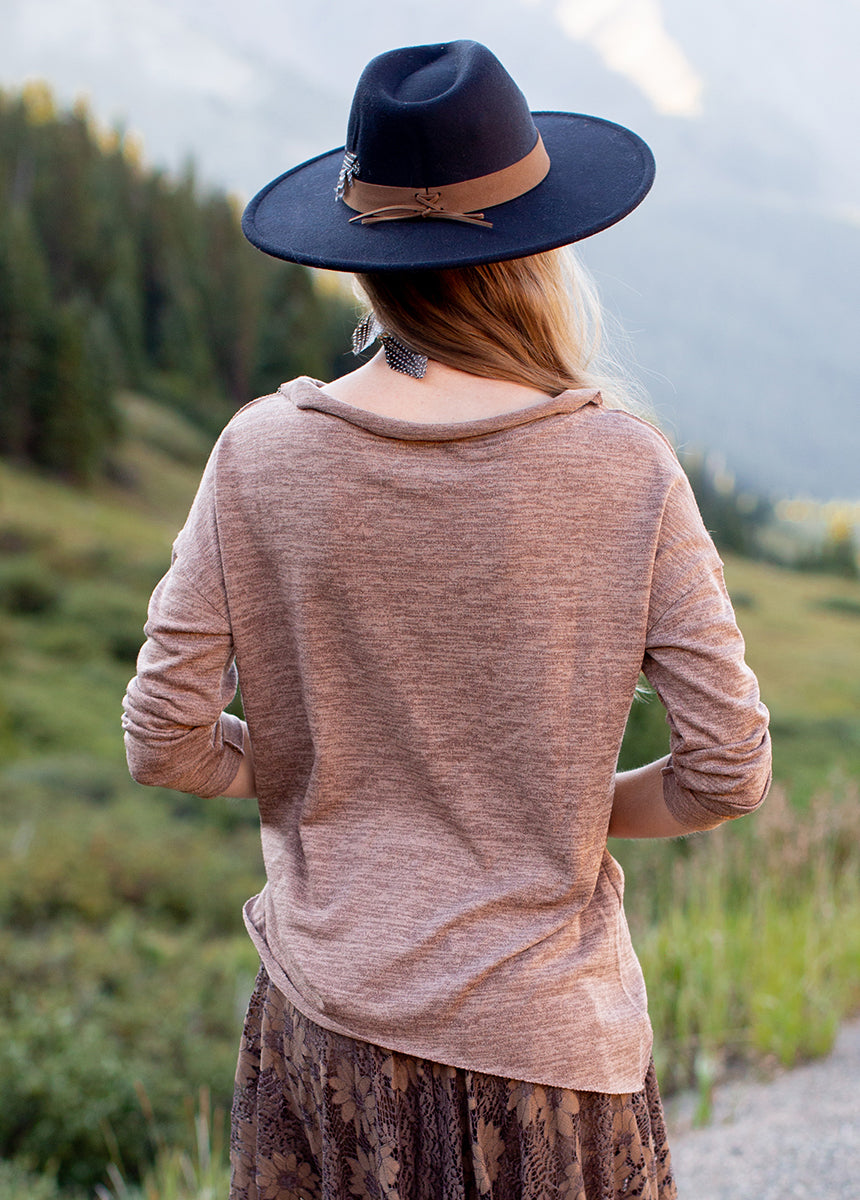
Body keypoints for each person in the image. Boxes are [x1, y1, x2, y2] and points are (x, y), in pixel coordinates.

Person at [122, 39, 771, 1200]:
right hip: (546, 1054)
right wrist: (554, 814)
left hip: (321, 1039)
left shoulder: (256, 454)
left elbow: (164, 738)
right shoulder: (623, 469)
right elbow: (725, 771)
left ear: (363, 261)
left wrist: (339, 784)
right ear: (539, 251)